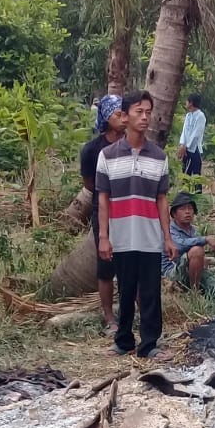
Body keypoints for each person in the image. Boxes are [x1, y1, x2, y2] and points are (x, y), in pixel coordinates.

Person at [96, 89, 176, 359]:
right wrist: (104, 237)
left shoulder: (159, 157)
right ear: (124, 116)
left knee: (151, 291)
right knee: (126, 288)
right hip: (121, 234)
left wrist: (167, 236)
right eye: (138, 112)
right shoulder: (107, 156)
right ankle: (124, 341)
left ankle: (150, 343)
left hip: (150, 235)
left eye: (148, 112)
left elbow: (162, 200)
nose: (144, 117)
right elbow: (103, 199)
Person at [80, 95, 127, 331]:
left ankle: (134, 311)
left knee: (132, 262)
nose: (122, 118)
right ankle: (109, 317)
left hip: (130, 209)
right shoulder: (92, 150)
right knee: (106, 264)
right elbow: (90, 184)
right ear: (106, 118)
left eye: (123, 113)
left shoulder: (134, 144)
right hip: (104, 210)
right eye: (117, 114)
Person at [161, 192, 215, 302]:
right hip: (172, 273)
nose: (187, 212)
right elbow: (179, 245)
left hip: (189, 272)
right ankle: (194, 294)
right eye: (183, 209)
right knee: (197, 250)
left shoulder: (192, 230)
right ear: (174, 214)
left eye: (190, 208)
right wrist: (206, 239)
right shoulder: (169, 230)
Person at [177, 93, 207, 177]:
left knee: (196, 173)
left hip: (194, 148)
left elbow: (196, 134)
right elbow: (184, 131)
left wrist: (186, 146)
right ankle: (185, 189)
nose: (185, 103)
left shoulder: (200, 116)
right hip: (185, 148)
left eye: (187, 101)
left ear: (191, 103)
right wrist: (182, 144)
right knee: (185, 172)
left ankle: (198, 190)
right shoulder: (188, 115)